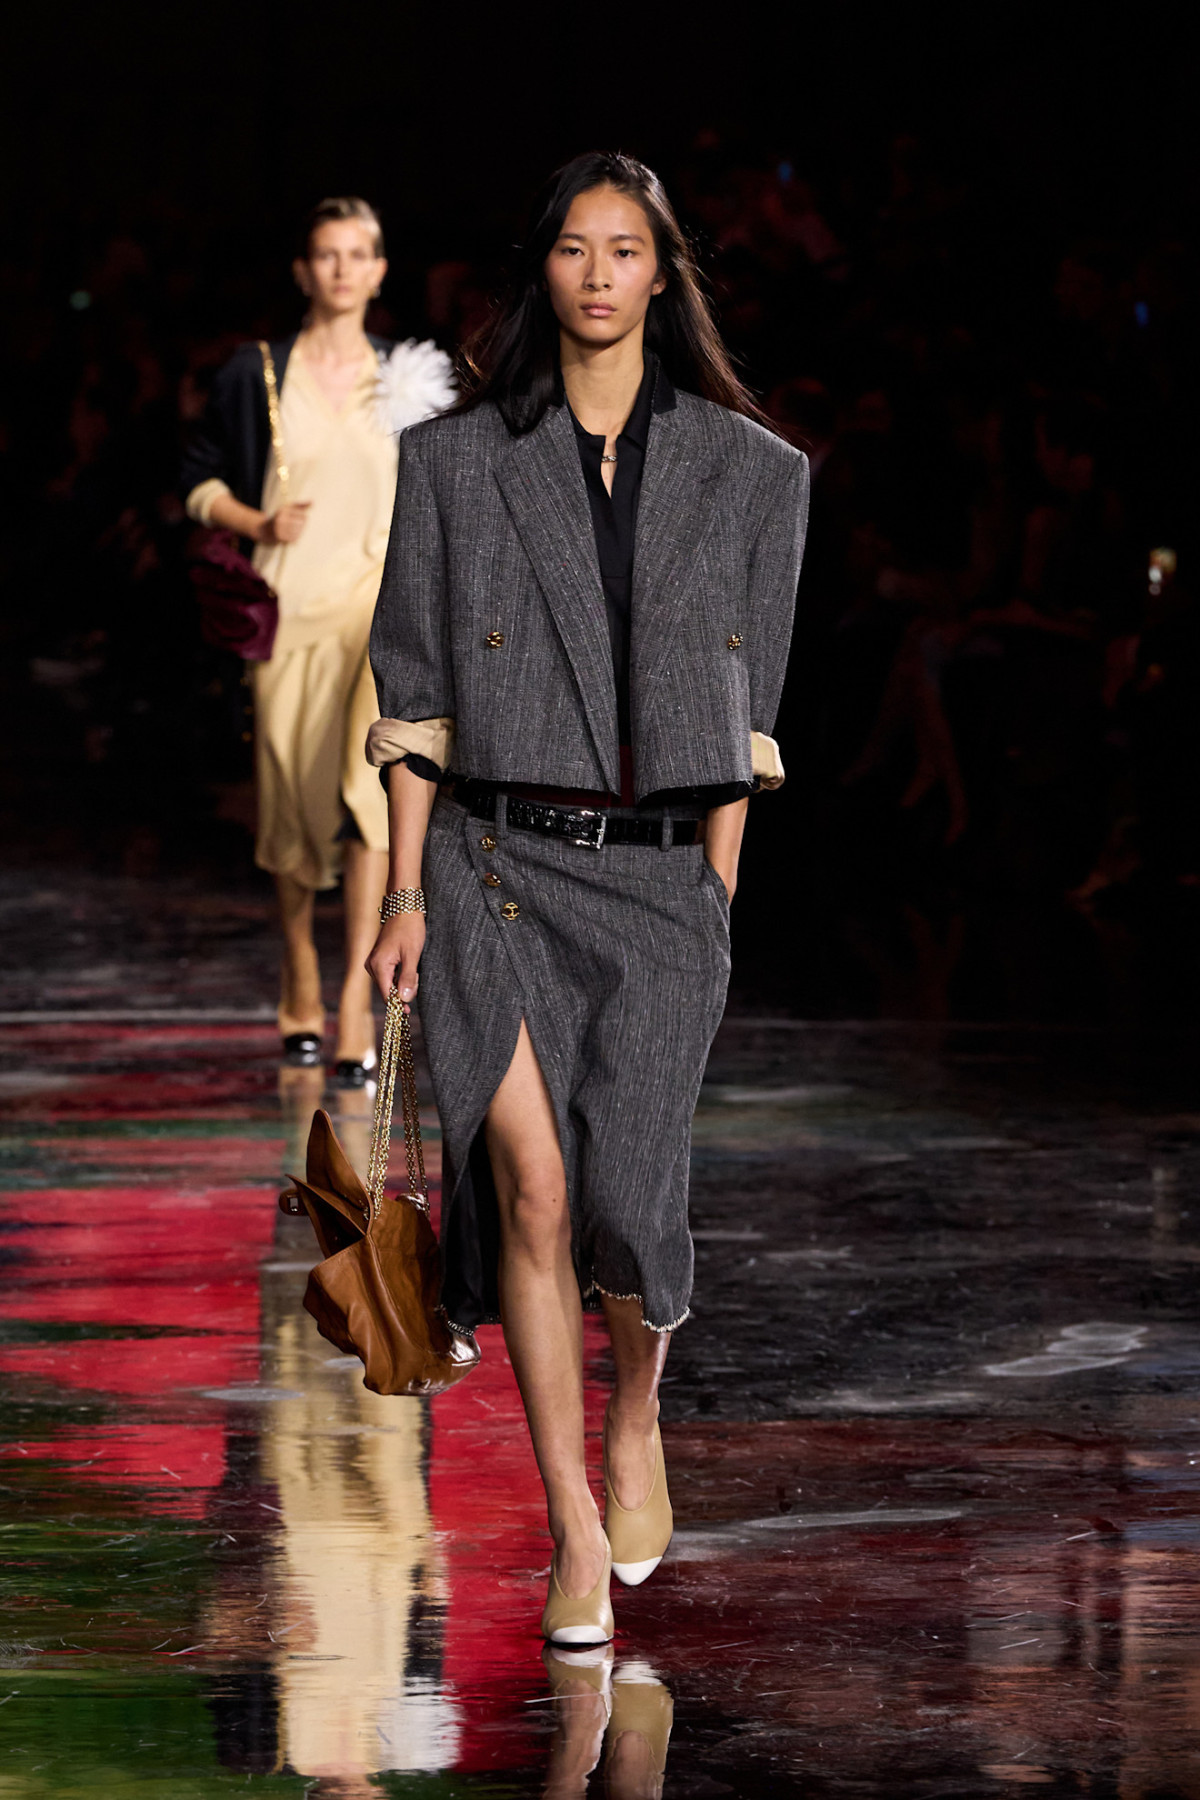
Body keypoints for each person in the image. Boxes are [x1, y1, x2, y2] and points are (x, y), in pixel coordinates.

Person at [366, 152, 808, 1643]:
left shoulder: (755, 475)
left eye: (627, 249)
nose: (600, 273)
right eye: (575, 247)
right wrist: (405, 895)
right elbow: (415, 693)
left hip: (664, 882)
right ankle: (568, 1523)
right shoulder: (456, 464)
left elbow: (749, 722)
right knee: (538, 1194)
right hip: (493, 866)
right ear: (541, 267)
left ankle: (637, 1413)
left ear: (663, 273)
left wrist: (714, 898)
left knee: (630, 1200)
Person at [182, 197, 455, 1079]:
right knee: (294, 805)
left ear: (380, 271)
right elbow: (196, 481)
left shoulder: (410, 376)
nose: (343, 269)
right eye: (327, 254)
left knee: (371, 798)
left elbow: (443, 497)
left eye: (359, 253)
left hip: (381, 621)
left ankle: (354, 1000)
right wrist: (257, 522)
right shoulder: (257, 372)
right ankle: (298, 965)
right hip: (289, 611)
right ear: (304, 271)